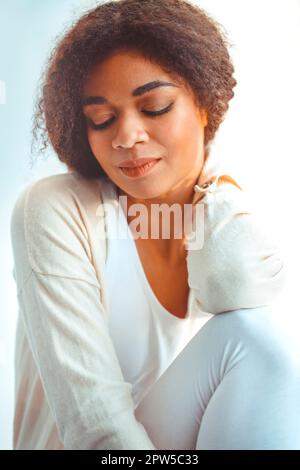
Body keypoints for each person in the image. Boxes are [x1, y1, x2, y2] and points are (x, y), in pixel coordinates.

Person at [10, 0, 299, 450]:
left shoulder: (214, 218)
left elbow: (234, 281)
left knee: (256, 338)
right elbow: (94, 428)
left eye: (156, 107)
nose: (126, 137)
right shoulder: (54, 209)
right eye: (101, 119)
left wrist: (211, 180)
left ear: (205, 105)